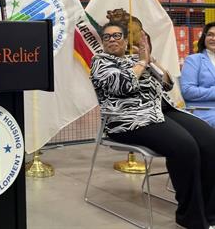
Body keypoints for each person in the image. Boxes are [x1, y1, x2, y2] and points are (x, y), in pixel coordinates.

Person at [90, 22, 215, 229]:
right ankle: (190, 217)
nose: (112, 40)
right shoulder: (100, 62)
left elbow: (167, 83)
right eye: (107, 37)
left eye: (117, 35)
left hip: (162, 110)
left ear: (125, 39)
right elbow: (122, 86)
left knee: (210, 141)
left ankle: (211, 213)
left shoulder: (136, 59)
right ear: (103, 42)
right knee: (185, 147)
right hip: (128, 119)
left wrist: (152, 60)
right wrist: (141, 63)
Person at [180, 22, 215, 126]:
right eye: (210, 35)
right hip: (203, 111)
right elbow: (188, 91)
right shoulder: (193, 60)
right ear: (204, 38)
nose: (213, 38)